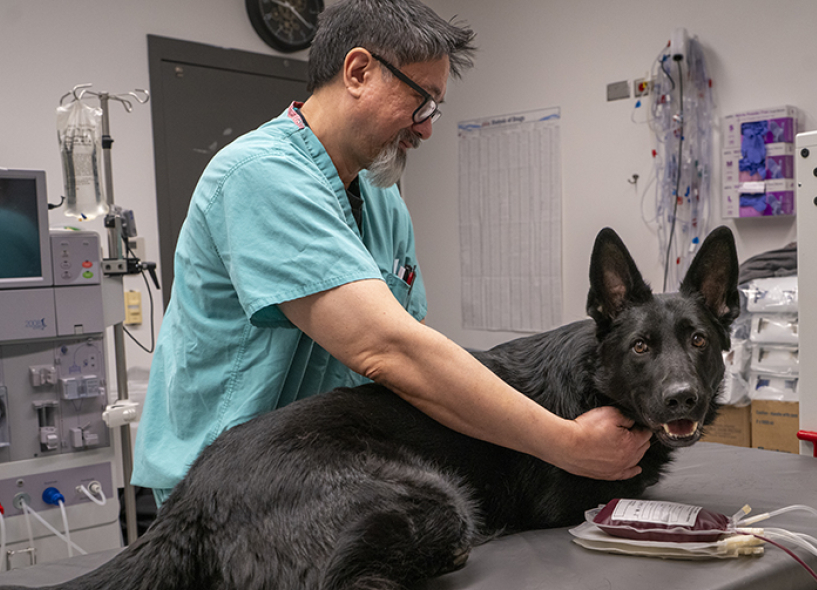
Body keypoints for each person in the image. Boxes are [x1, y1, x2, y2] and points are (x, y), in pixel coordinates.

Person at [131, 0, 651, 506]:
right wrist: (566, 444)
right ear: (358, 71)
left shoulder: (382, 197)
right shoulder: (259, 175)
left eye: (435, 110)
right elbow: (389, 349)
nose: (426, 127)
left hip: (312, 479)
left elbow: (415, 355)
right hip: (218, 491)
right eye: (421, 100)